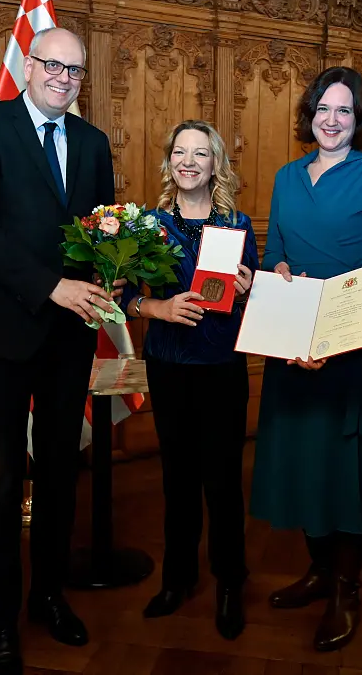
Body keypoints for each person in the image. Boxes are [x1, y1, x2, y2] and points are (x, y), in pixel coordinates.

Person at [0, 27, 119, 675]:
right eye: (54, 65)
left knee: (57, 475)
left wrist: (116, 270)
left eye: (75, 71)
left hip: (67, 339)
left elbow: (102, 227)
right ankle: (1, 625)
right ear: (29, 64)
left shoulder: (94, 143)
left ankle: (49, 595)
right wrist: (50, 286)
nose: (64, 78)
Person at [249, 67, 362, 651]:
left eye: (344, 110)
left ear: (359, 119)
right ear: (309, 114)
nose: (332, 119)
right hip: (294, 339)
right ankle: (319, 570)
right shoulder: (287, 177)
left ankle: (347, 587)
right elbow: (275, 254)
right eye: (323, 108)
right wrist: (280, 274)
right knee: (307, 459)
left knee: (351, 467)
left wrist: (325, 340)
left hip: (357, 339)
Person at [120, 120, 258, 640]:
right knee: (177, 478)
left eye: (201, 153)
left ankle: (229, 583)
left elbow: (252, 301)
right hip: (170, 364)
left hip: (221, 366)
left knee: (223, 482)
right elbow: (122, 297)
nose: (190, 161)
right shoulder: (146, 226)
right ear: (169, 162)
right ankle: (177, 580)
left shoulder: (237, 224)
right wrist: (158, 305)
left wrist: (247, 289)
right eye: (181, 152)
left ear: (215, 164)